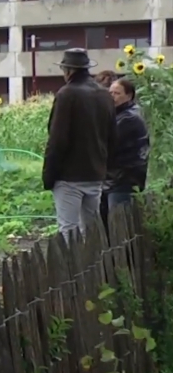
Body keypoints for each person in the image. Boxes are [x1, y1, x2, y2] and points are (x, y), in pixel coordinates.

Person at [42, 48, 116, 236]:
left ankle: (72, 266)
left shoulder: (67, 94)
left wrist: (49, 175)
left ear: (68, 70)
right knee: (91, 228)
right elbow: (112, 135)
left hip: (69, 175)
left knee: (69, 229)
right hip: (96, 172)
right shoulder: (104, 95)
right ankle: (94, 264)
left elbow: (58, 139)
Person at [104, 78, 150, 213]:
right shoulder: (121, 114)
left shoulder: (128, 118)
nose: (112, 96)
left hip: (123, 178)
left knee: (120, 221)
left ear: (129, 96)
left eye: (117, 93)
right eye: (110, 92)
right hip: (122, 177)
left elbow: (107, 143)